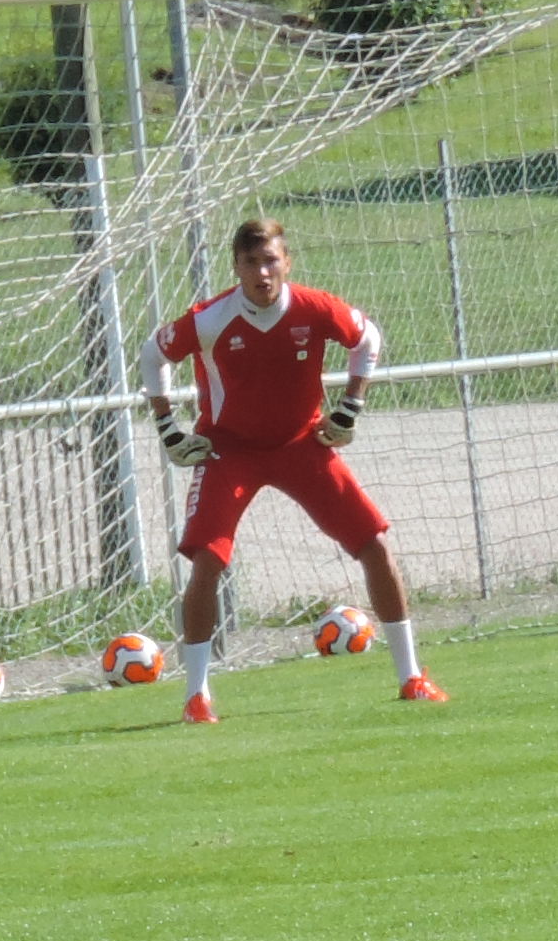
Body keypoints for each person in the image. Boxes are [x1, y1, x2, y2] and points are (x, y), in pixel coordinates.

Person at [145, 216, 439, 726]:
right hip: (228, 449)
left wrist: (350, 408)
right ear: (235, 268)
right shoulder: (210, 319)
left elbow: (368, 338)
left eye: (270, 261)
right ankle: (197, 697)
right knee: (208, 562)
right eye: (251, 263)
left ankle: (412, 677)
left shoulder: (314, 307)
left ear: (287, 263)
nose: (262, 272)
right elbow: (154, 353)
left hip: (302, 443)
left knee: (374, 543)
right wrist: (168, 428)